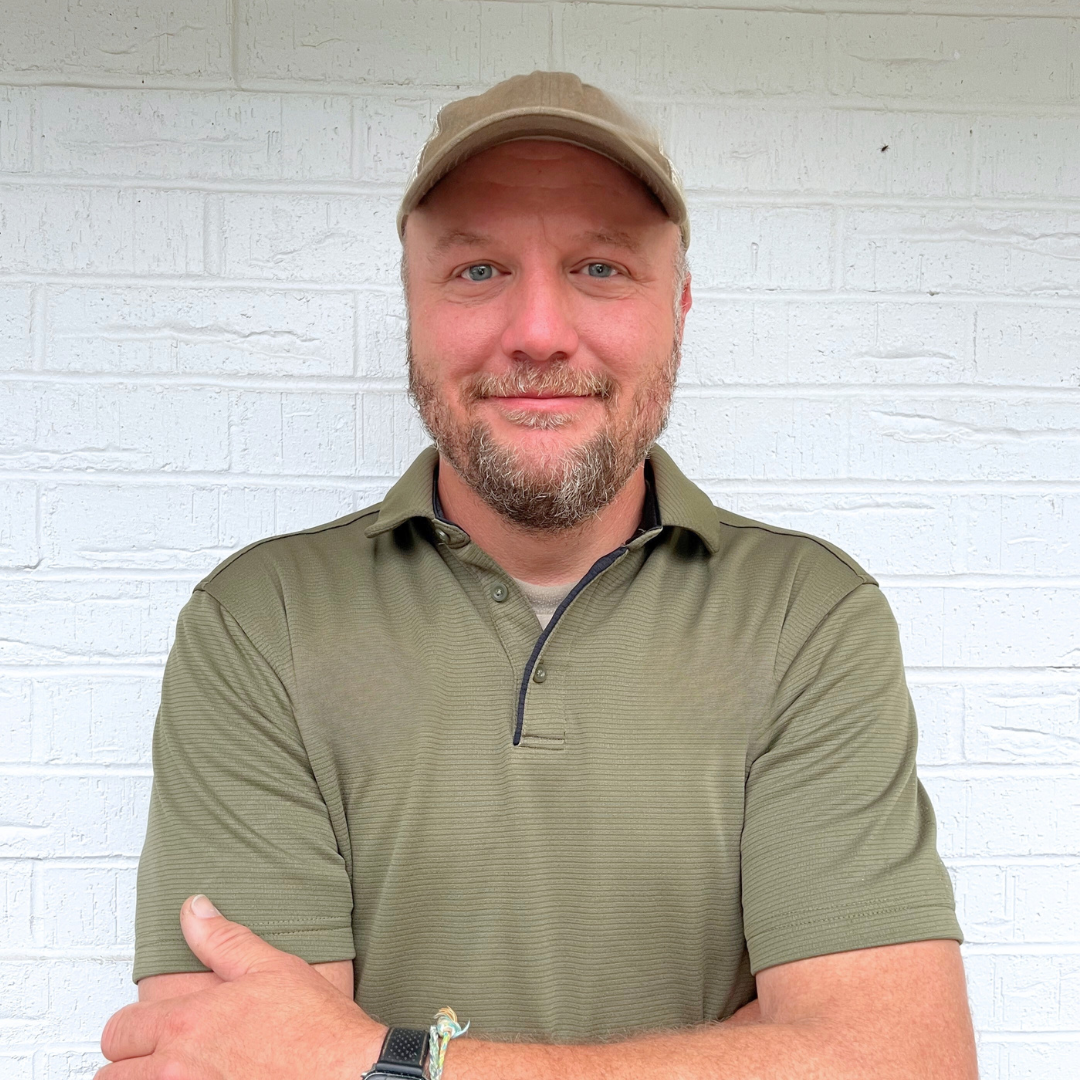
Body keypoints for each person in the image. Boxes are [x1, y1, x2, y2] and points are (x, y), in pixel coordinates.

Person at [98, 72, 978, 1079]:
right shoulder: (263, 624)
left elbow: (906, 1063)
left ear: (679, 307)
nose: (540, 331)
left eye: (600, 266)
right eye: (477, 272)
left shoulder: (810, 619)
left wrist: (388, 1063)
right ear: (412, 305)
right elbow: (228, 1063)